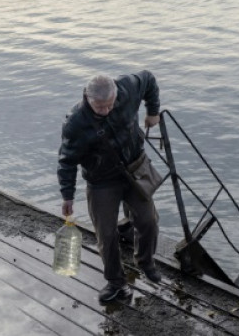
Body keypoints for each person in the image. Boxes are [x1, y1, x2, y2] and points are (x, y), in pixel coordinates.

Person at [57, 71, 162, 303]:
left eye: (110, 105)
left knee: (148, 221)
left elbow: (149, 79)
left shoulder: (127, 88)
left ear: (117, 94)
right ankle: (115, 281)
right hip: (101, 180)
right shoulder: (75, 123)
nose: (105, 111)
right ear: (87, 97)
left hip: (134, 169)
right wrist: (68, 196)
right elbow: (66, 161)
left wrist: (152, 111)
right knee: (106, 234)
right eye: (99, 107)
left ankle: (145, 262)